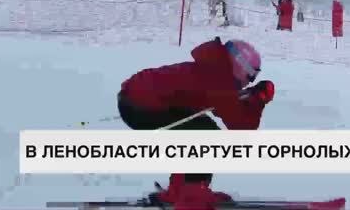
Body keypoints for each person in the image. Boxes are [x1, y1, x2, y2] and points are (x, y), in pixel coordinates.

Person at [117, 37, 275, 210]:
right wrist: (259, 100)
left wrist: (249, 99)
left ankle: (180, 192)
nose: (249, 81)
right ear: (239, 66)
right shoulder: (219, 81)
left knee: (198, 130)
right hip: (140, 107)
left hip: (136, 98)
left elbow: (223, 105)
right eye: (250, 76)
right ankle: (192, 199)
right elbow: (241, 127)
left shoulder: (214, 70)